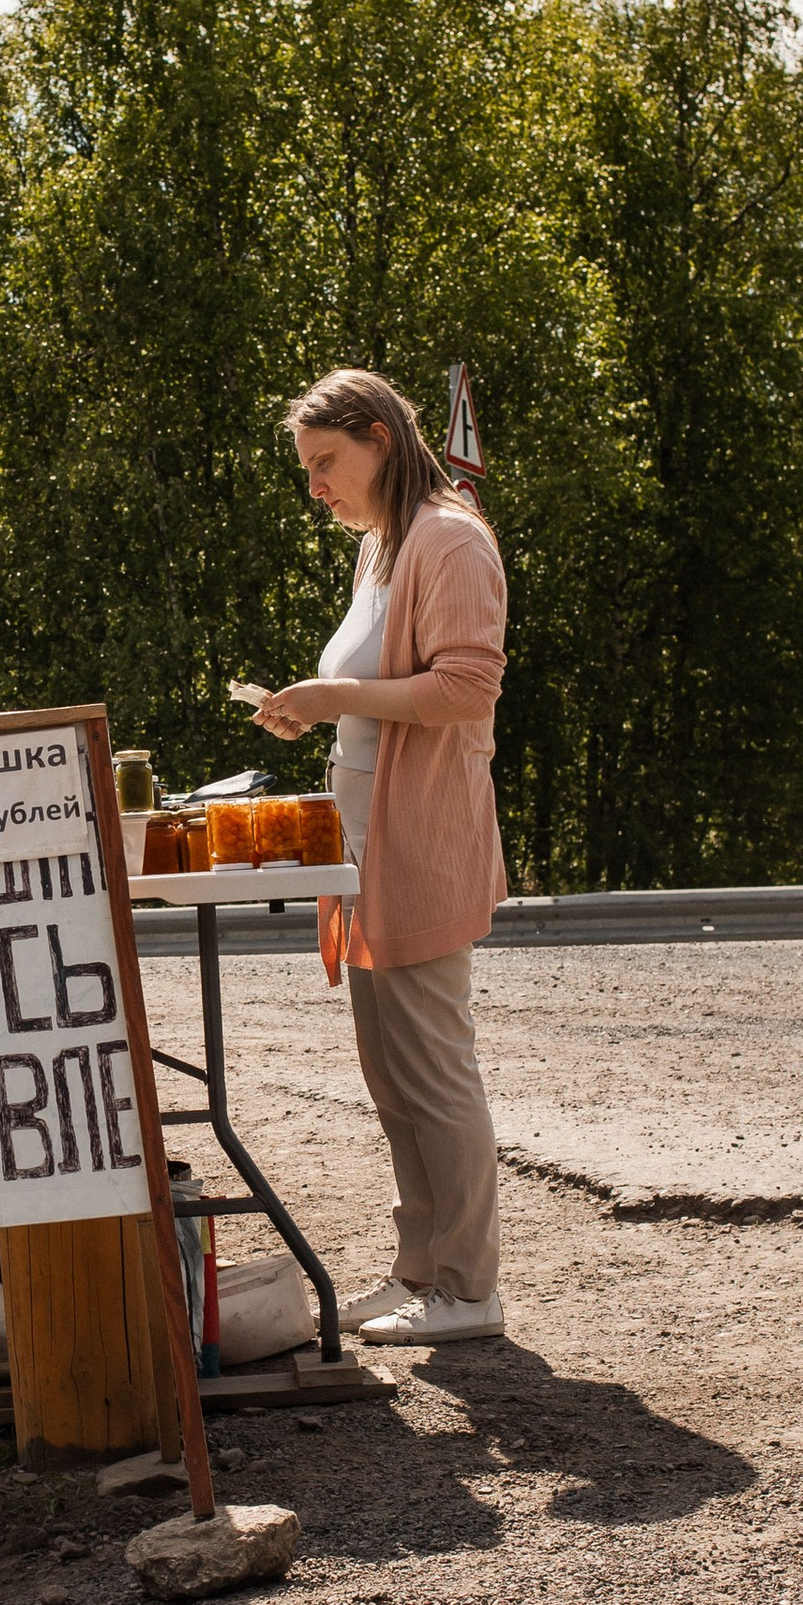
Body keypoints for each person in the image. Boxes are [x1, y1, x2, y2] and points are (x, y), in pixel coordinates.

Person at [254, 368, 510, 1345]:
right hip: (363, 850)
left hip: (422, 844)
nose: (316, 486)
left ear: (379, 438)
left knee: (435, 1072)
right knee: (392, 1077)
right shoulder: (382, 546)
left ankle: (470, 1290)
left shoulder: (449, 539)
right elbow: (378, 690)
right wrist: (314, 710)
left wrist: (334, 699)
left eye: (326, 462)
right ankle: (419, 1275)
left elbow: (467, 688)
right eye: (308, 469)